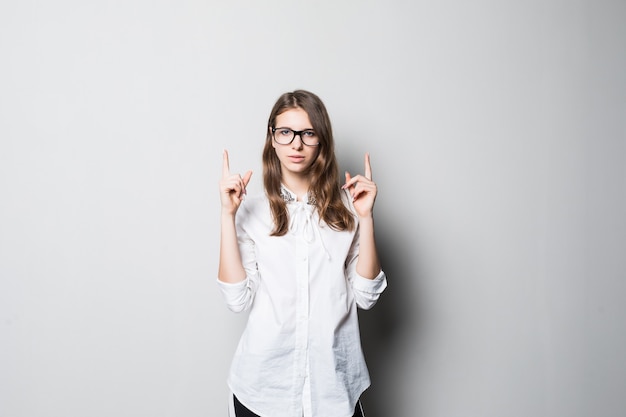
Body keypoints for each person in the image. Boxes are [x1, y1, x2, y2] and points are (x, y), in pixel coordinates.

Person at [217, 90, 387, 417]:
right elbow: (236, 299)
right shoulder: (251, 213)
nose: (296, 143)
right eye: (286, 132)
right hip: (262, 392)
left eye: (308, 133)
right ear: (272, 139)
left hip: (334, 392)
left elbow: (366, 296)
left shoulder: (350, 210)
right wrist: (227, 216)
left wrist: (365, 218)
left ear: (321, 140)